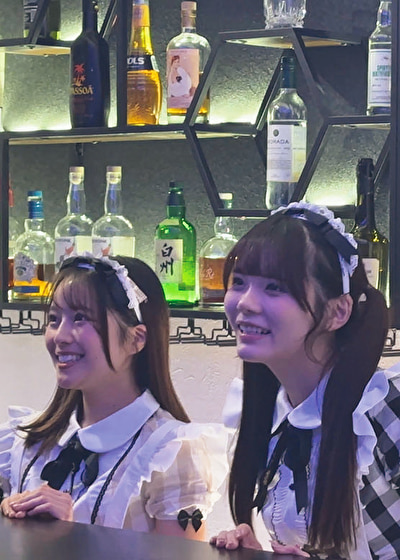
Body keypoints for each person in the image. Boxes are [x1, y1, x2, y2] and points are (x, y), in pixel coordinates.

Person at [210, 202, 399, 559]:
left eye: (274, 287)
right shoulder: (270, 419)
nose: (245, 303)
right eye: (239, 282)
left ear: (337, 311)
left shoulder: (385, 407)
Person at [0, 255, 227, 539]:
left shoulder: (170, 453)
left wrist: (71, 535)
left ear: (136, 339)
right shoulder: (25, 440)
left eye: (81, 318)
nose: (60, 336)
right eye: (54, 319)